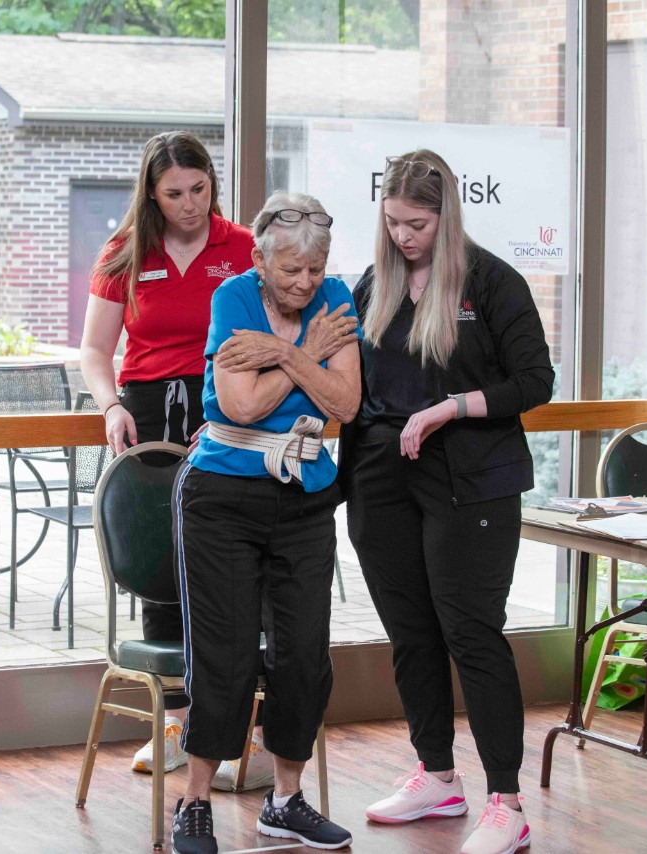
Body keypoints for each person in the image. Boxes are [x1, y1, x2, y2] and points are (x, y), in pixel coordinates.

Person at [340, 150, 554, 854]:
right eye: (394, 222)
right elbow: (354, 383)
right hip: (383, 477)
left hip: (470, 478)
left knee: (472, 633)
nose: (404, 236)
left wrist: (451, 407)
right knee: (412, 633)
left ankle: (507, 803)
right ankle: (437, 776)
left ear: (447, 215)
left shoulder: (490, 281)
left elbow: (535, 382)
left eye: (419, 224)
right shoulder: (375, 283)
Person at [169, 192, 360, 854]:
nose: (306, 283)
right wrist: (311, 353)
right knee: (223, 657)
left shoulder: (337, 296)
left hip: (305, 496)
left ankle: (285, 802)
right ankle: (195, 802)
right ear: (258, 260)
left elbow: (346, 403)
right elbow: (241, 407)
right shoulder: (232, 299)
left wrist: (282, 353)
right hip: (222, 497)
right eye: (290, 270)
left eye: (316, 269)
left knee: (303, 654)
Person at [80, 131, 264, 782]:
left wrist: (243, 405)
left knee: (235, 567)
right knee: (164, 565)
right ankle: (178, 725)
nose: (190, 205)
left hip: (228, 411)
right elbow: (95, 350)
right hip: (148, 415)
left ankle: (248, 732)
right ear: (151, 195)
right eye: (174, 193)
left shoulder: (244, 247)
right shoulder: (125, 251)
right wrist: (110, 406)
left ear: (213, 183)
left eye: (199, 189)